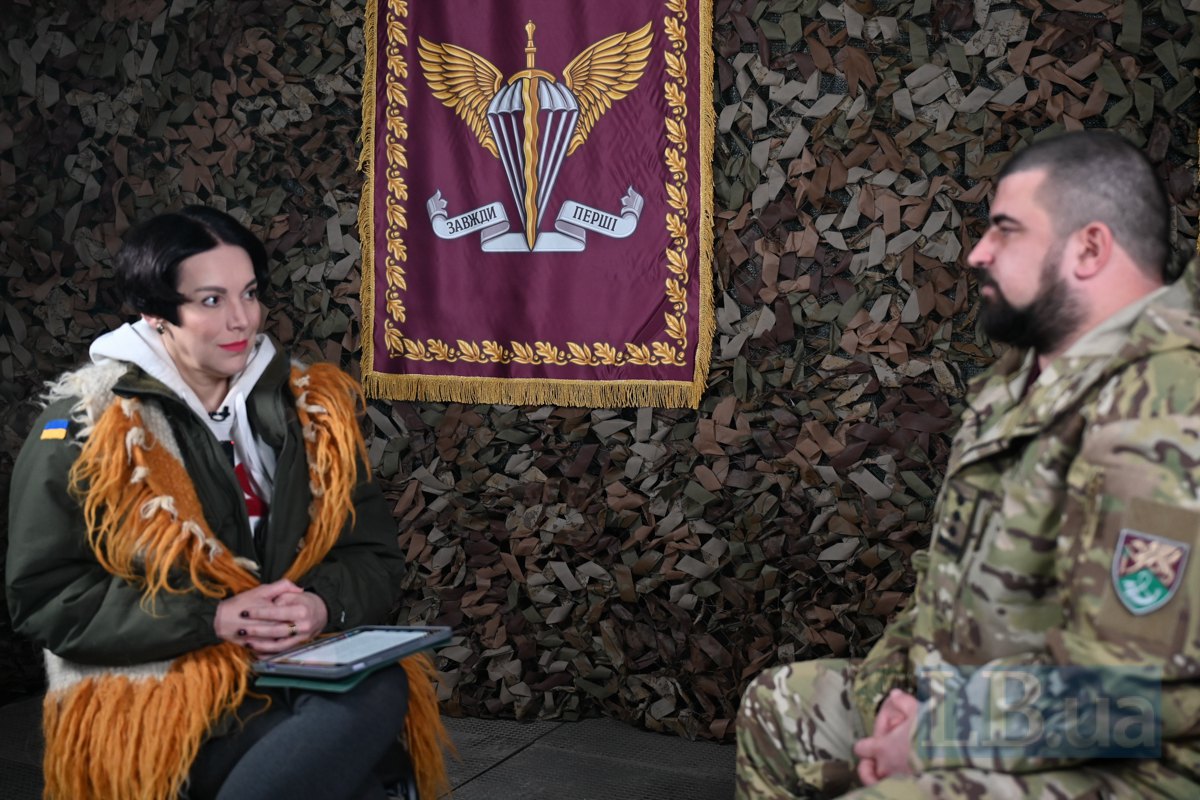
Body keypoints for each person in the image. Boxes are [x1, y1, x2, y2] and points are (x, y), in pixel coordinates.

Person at [735, 130, 1200, 798]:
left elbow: (1144, 698)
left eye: (1006, 231)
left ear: (1091, 247)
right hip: (968, 699)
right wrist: (896, 690)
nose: (977, 253)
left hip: (1124, 761)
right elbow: (951, 577)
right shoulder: (1022, 380)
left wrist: (935, 735)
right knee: (780, 705)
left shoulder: (1165, 410)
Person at [5, 207, 449, 800]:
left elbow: (371, 556)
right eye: (210, 300)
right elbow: (44, 598)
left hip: (288, 672)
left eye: (249, 293)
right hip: (162, 689)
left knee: (380, 684)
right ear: (156, 313)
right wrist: (211, 617)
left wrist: (320, 607)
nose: (242, 319)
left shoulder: (310, 413)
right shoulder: (86, 425)